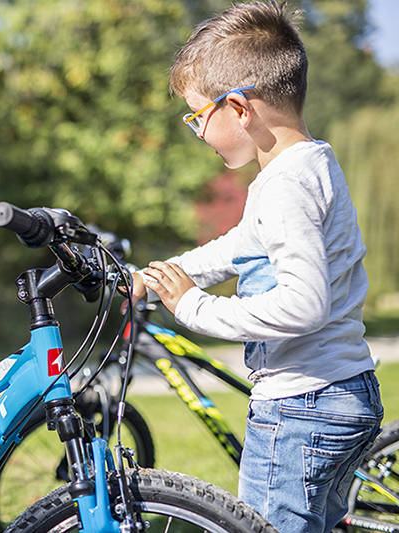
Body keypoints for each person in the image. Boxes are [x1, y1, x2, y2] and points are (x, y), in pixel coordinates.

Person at [128, 2, 383, 532]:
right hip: (342, 392)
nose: (198, 133)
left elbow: (303, 305)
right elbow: (239, 246)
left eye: (198, 117)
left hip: (301, 406)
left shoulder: (286, 185)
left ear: (240, 108)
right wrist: (157, 278)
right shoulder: (309, 164)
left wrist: (194, 307)